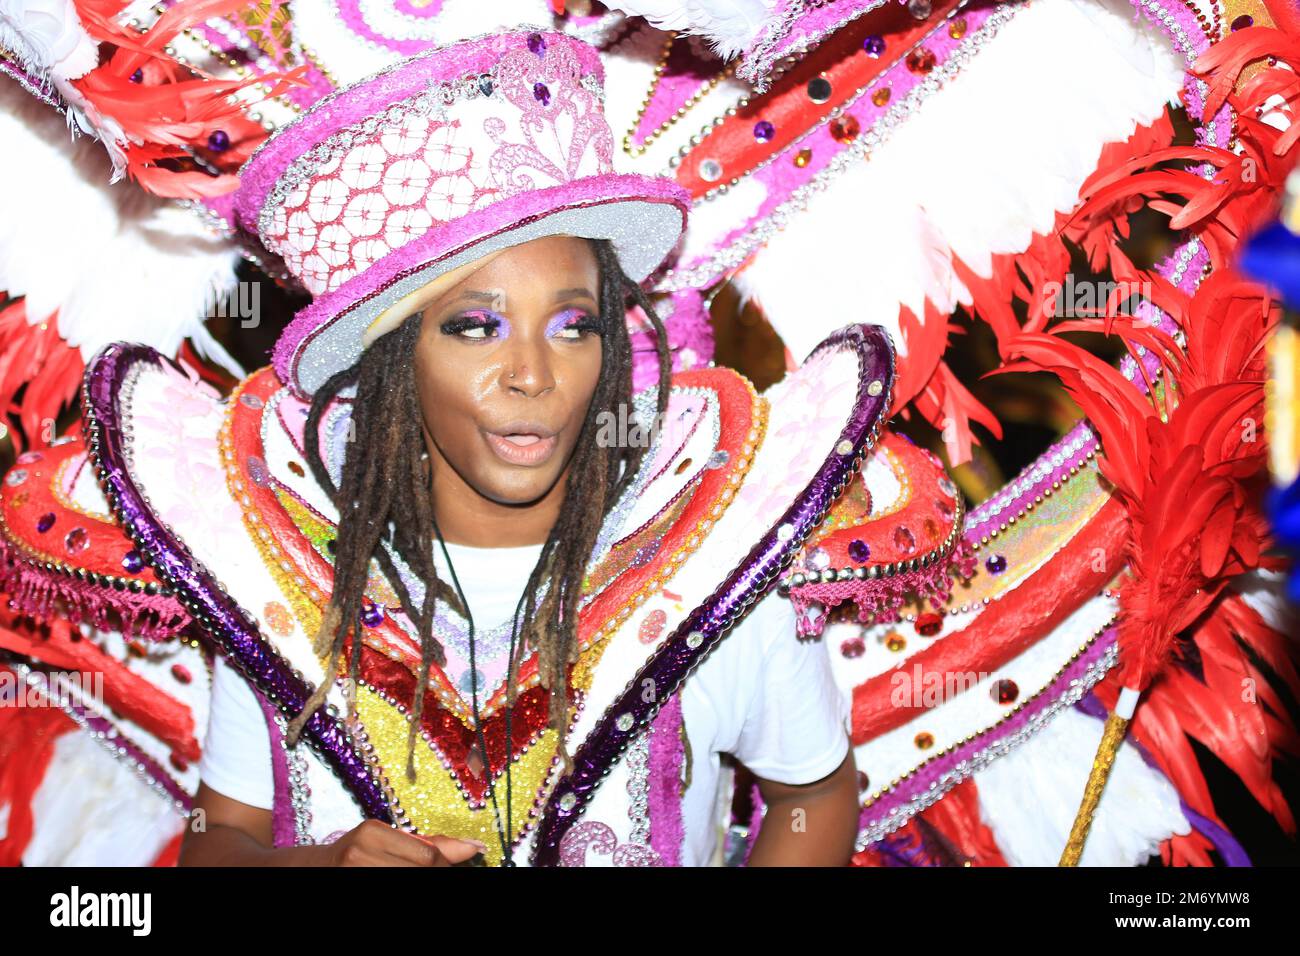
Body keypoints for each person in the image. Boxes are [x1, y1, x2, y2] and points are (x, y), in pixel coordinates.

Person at [63, 26, 886, 867]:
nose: (533, 373)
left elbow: (811, 793)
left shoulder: (713, 558)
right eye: (475, 327)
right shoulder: (286, 573)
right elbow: (217, 840)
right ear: (392, 364)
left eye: (574, 326)